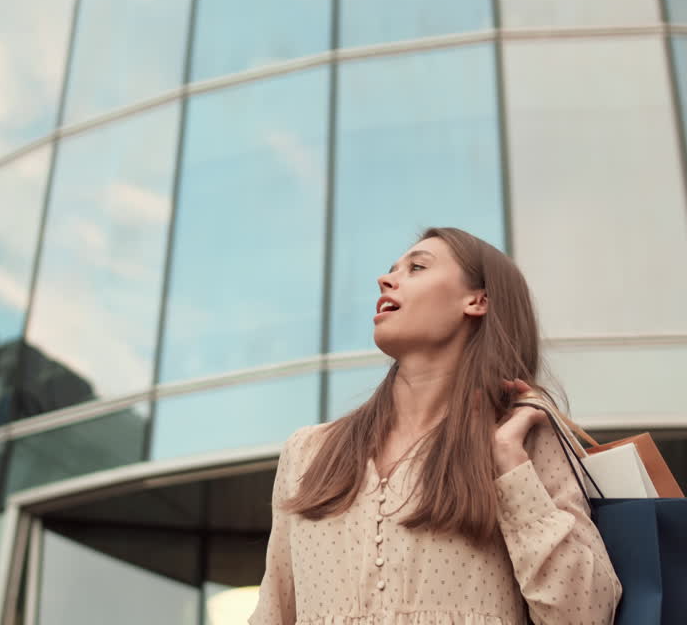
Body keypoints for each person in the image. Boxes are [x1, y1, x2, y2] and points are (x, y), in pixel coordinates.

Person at [248, 227, 621, 625]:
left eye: (417, 267)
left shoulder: (523, 437)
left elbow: (584, 614)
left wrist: (509, 463)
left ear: (477, 301)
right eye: (392, 268)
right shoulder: (308, 452)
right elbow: (274, 612)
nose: (385, 278)